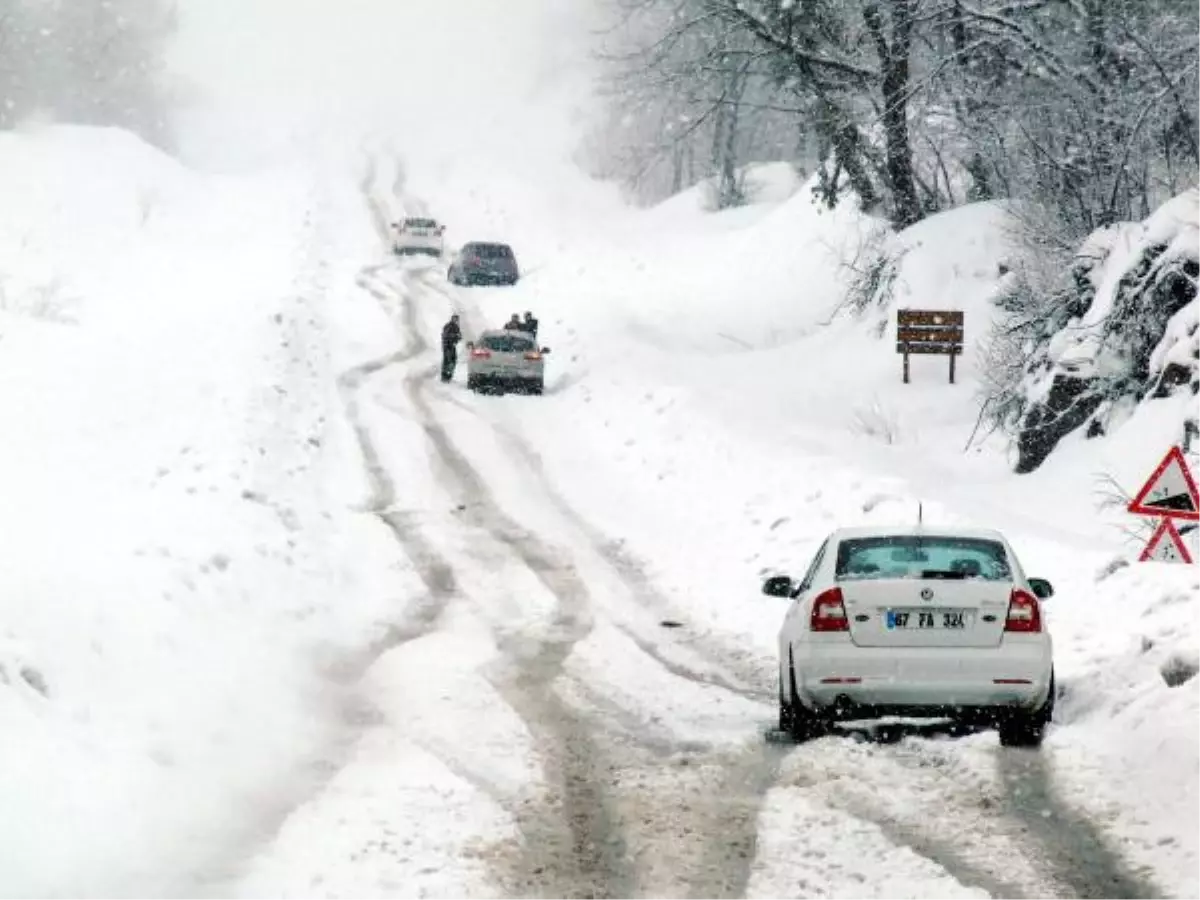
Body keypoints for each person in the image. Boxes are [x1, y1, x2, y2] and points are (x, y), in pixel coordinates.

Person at [441, 313, 462, 382]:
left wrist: (458, 337)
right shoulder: (448, 326)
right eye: (455, 319)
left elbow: (460, 336)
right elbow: (445, 335)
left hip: (452, 346)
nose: (456, 320)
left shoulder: (456, 327)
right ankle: (445, 376)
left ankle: (448, 376)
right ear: (452, 319)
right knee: (448, 361)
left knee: (453, 360)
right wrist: (454, 336)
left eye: (457, 319)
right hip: (447, 346)